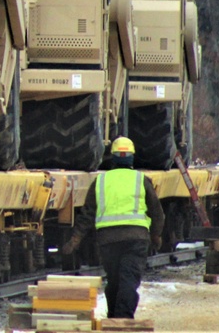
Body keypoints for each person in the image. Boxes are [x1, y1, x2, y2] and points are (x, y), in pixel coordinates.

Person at [61, 136, 165, 319]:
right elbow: (157, 212)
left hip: (108, 240)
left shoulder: (101, 181)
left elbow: (87, 214)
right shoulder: (141, 180)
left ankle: (114, 318)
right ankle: (122, 321)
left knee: (115, 281)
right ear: (132, 157)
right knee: (128, 280)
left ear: (113, 157)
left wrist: (75, 240)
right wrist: (156, 236)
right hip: (136, 238)